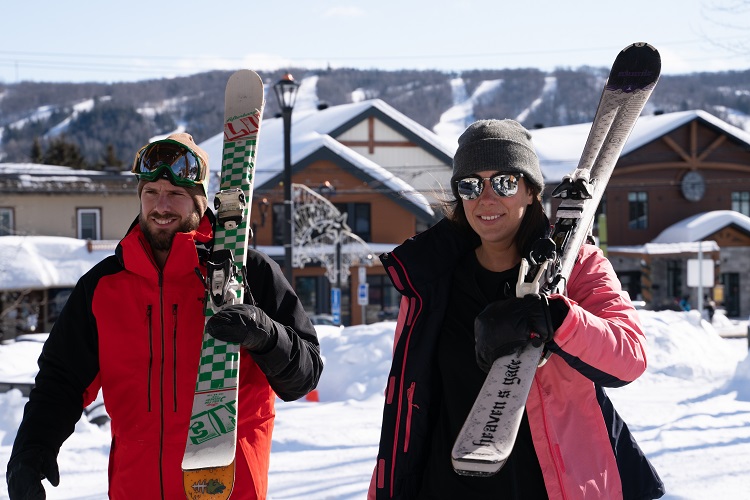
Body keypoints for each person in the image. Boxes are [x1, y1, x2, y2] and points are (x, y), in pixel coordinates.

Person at [6, 133, 323, 500]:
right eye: (151, 192)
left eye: (175, 194)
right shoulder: (103, 287)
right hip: (134, 489)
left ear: (200, 203)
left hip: (228, 489)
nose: (161, 205)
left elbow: (306, 374)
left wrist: (266, 336)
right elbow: (60, 381)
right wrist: (31, 451)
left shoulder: (249, 272)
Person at [369, 120, 664, 499]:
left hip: (555, 487)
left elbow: (629, 356)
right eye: (470, 185)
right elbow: (408, 409)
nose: (486, 198)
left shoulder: (577, 266)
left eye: (505, 182)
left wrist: (558, 318)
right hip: (449, 485)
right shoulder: (430, 283)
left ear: (530, 191)